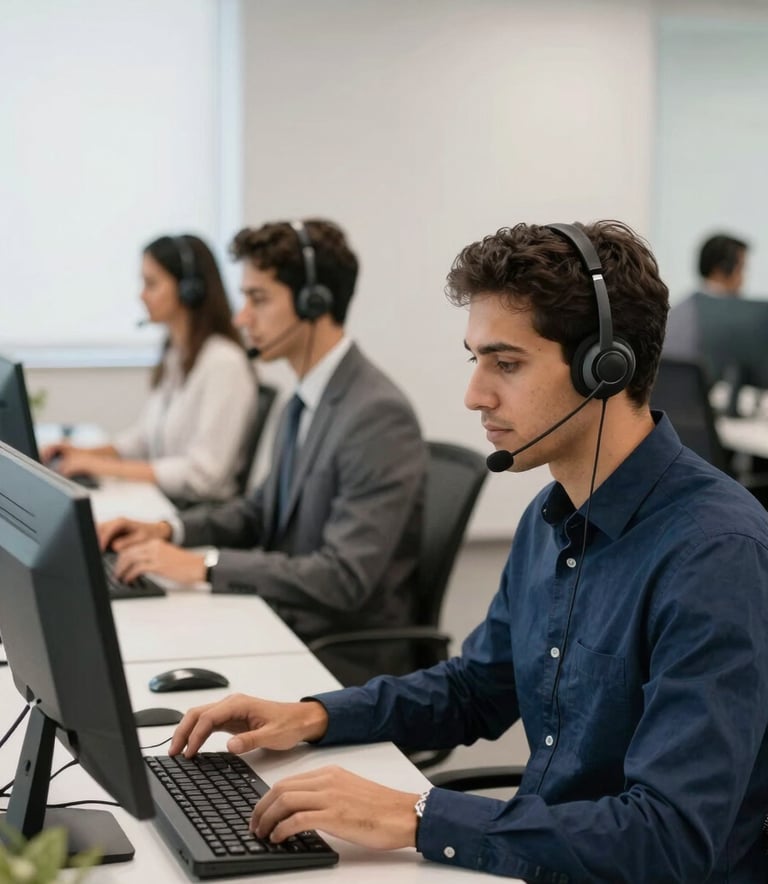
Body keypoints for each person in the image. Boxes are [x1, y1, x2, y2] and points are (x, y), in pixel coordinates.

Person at [168, 221, 768, 883]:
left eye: (505, 364)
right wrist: (313, 716)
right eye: (474, 359)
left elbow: (669, 840)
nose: (474, 395)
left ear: (607, 367)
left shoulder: (715, 555)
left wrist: (420, 815)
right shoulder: (554, 515)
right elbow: (476, 688)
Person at [98, 219, 426, 684]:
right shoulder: (306, 398)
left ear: (316, 303)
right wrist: (166, 529)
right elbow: (257, 513)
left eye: (258, 299)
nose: (240, 317)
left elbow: (343, 577)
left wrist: (205, 566)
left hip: (342, 661)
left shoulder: (375, 414)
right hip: (287, 623)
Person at [41, 234, 257, 505]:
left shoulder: (224, 363)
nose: (142, 295)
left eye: (152, 284)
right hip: (165, 500)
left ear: (189, 289)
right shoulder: (177, 354)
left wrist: (101, 467)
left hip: (195, 512)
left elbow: (205, 475)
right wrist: (86, 453)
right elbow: (145, 439)